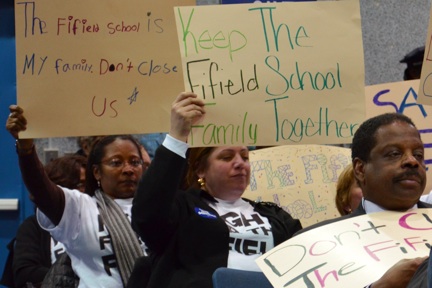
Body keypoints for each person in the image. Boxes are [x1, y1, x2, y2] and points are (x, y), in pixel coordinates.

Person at [131, 92, 302, 288]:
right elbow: (147, 215)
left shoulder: (273, 214)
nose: (239, 163)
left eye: (245, 157)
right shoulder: (183, 208)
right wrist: (177, 137)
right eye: (227, 157)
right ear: (200, 169)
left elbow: (306, 252)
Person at [6, 105, 151, 288]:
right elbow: (40, 189)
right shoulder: (81, 208)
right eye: (116, 163)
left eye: (134, 162)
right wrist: (26, 149)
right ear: (97, 172)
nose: (128, 169)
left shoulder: (160, 205)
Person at [295, 112, 432, 287]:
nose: (412, 161)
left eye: (418, 154)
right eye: (394, 153)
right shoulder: (310, 243)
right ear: (360, 169)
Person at [3, 155, 87, 288]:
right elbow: (24, 273)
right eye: (79, 185)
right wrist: (76, 278)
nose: (84, 191)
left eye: (87, 185)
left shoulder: (99, 221)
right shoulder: (33, 226)